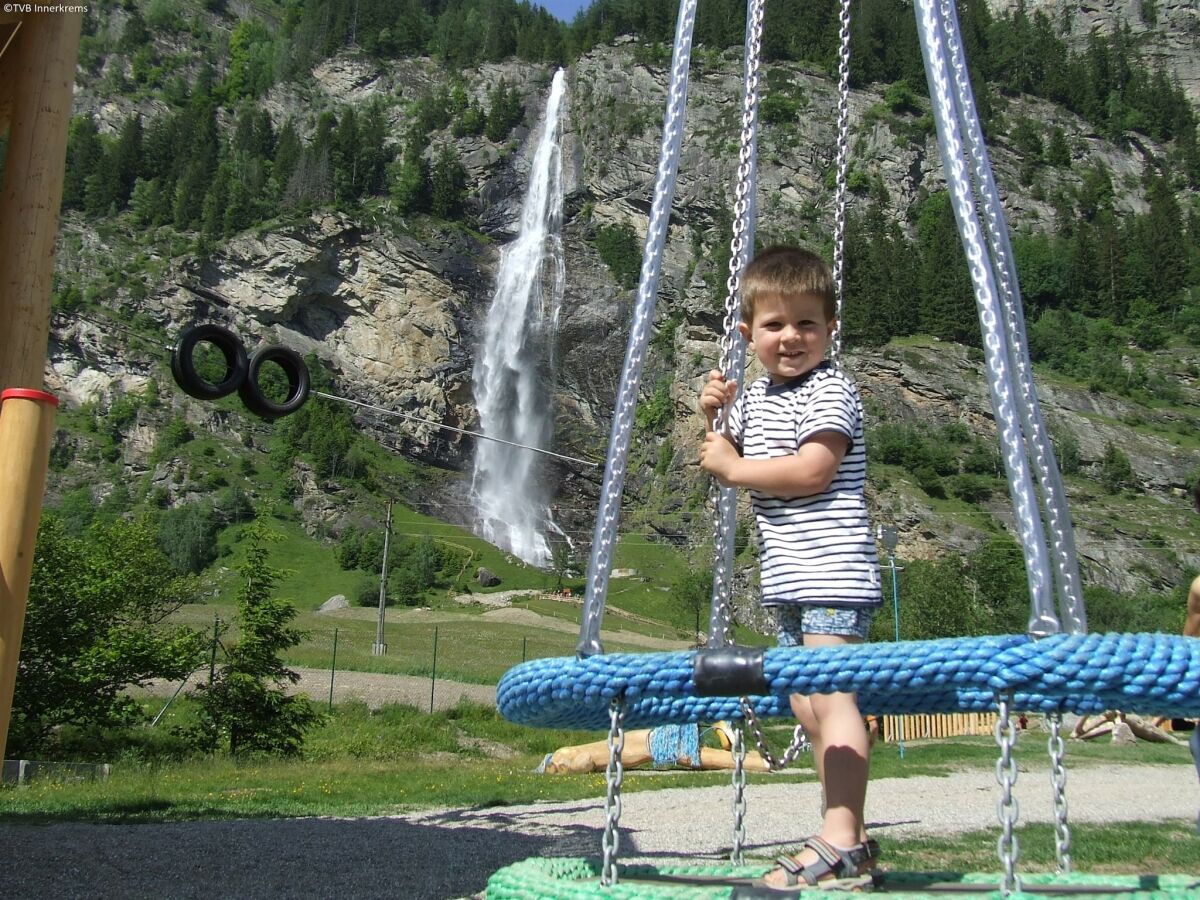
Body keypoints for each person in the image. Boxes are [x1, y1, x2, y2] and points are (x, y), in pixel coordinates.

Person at [698, 246, 882, 890]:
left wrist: (734, 468)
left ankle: (838, 837)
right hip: (788, 582)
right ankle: (849, 837)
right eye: (776, 325)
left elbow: (812, 471)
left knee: (829, 701)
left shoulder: (832, 389)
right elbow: (722, 451)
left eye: (808, 323)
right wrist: (712, 414)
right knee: (807, 705)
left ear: (831, 330)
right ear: (749, 335)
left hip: (833, 572)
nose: (792, 337)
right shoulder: (756, 399)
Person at [536, 722, 771, 774]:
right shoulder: (567, 750)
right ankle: (753, 757)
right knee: (698, 755)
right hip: (650, 738)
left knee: (696, 757)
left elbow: (585, 762)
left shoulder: (567, 756)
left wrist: (564, 772)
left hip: (653, 745)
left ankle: (758, 762)